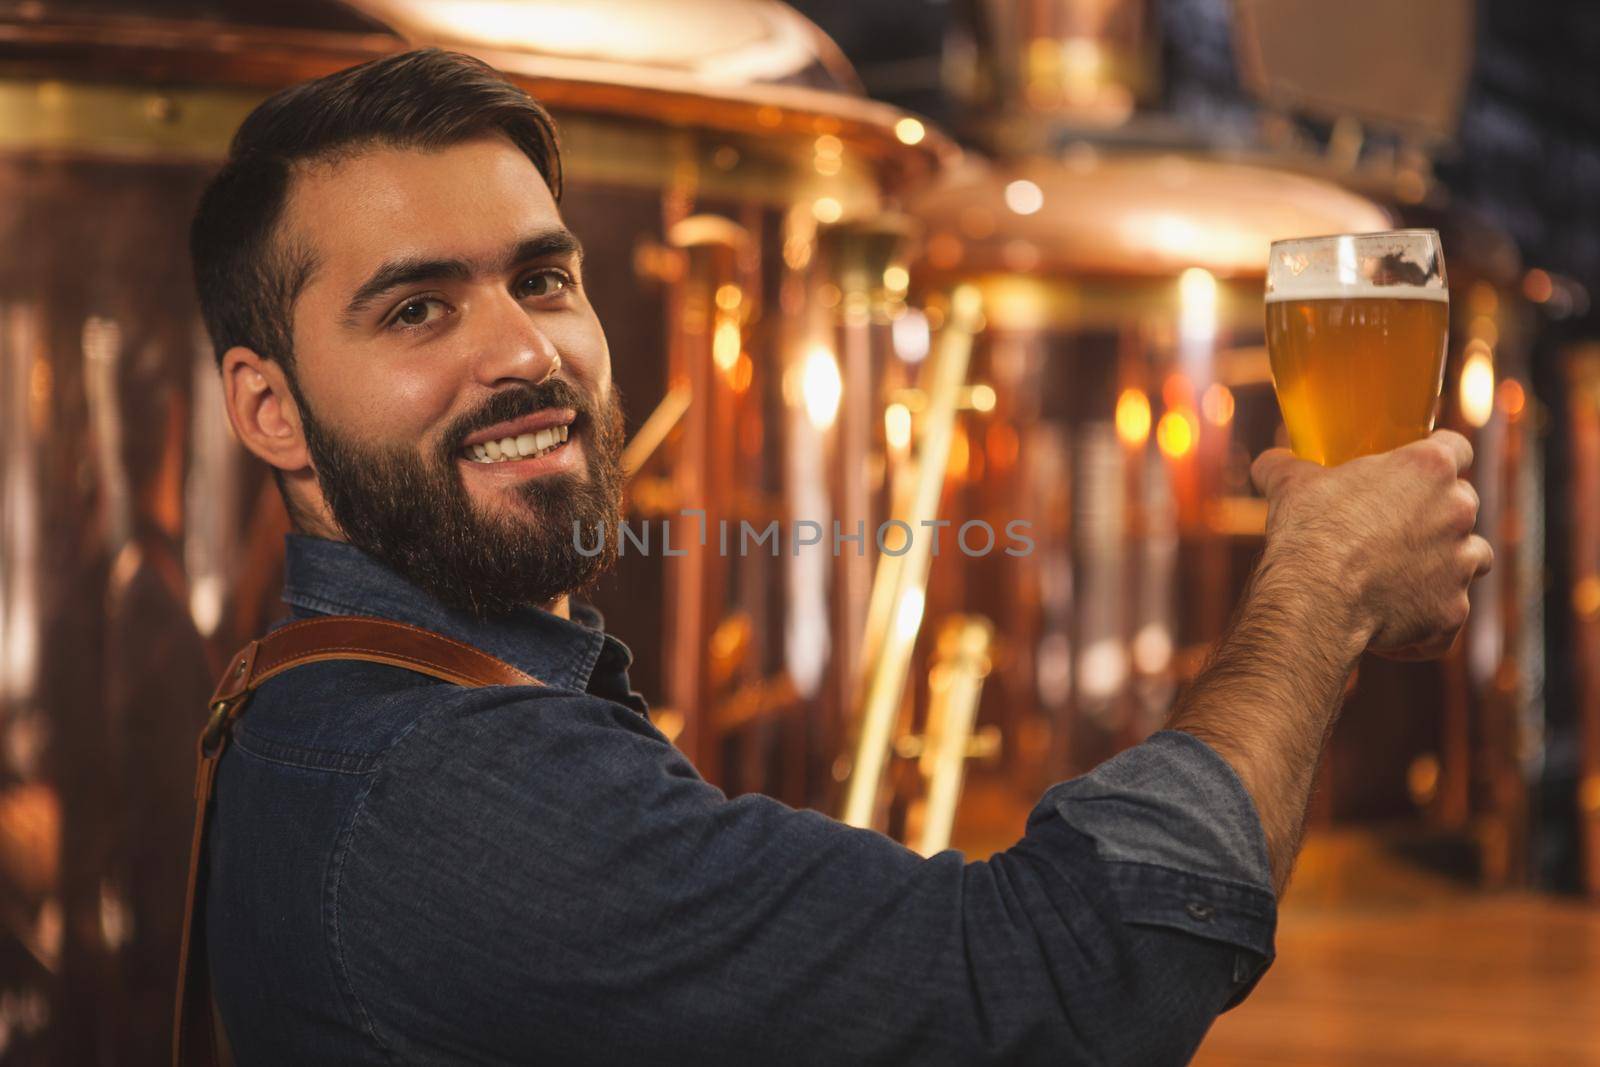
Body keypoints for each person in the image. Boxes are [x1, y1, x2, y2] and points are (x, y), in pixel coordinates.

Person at [190, 48, 1492, 1066]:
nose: (526, 354)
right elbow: (1048, 991)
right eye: (417, 308)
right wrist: (1320, 592)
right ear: (269, 411)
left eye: (541, 280)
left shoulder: (326, 694)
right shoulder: (455, 785)